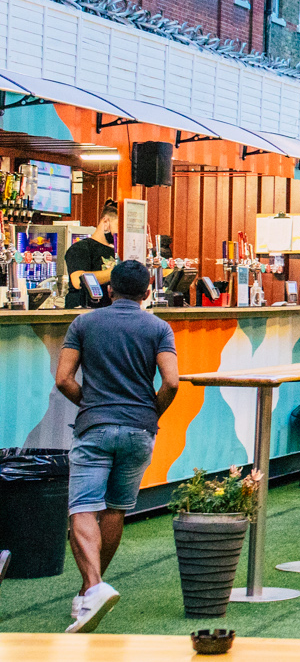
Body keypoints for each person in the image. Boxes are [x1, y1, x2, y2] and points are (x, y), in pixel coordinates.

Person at [53, 259, 177, 632]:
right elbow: (171, 381)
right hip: (140, 430)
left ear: (110, 290)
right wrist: (149, 413)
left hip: (95, 427)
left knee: (82, 509)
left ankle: (93, 586)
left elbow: (63, 379)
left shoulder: (84, 323)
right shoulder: (159, 327)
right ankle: (89, 593)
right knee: (115, 509)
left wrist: (89, 405)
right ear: (146, 293)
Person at [63, 200, 120, 308]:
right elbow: (78, 280)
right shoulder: (81, 248)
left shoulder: (119, 251)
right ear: (106, 222)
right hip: (85, 313)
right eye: (119, 226)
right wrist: (117, 271)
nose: (122, 232)